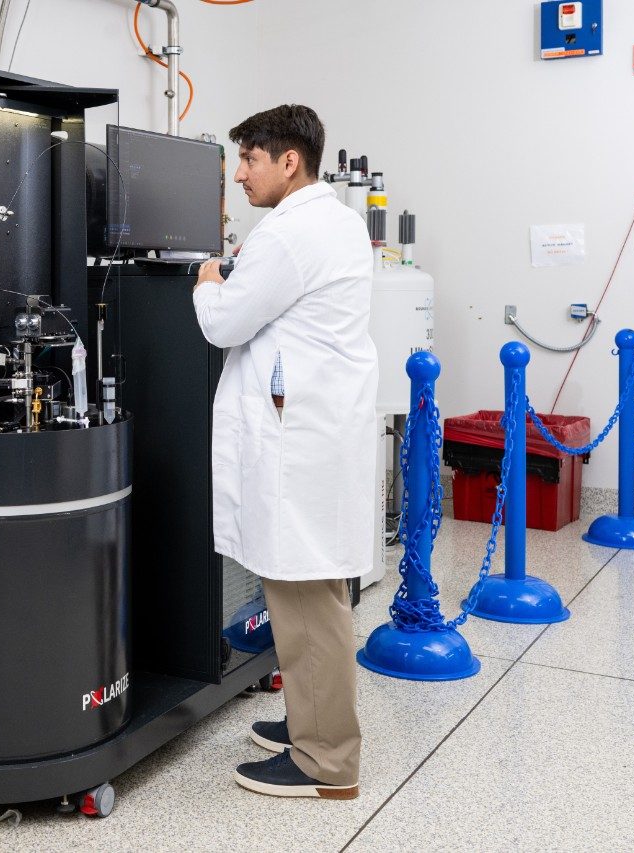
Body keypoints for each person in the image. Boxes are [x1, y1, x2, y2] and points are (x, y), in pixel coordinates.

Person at [192, 104, 378, 799]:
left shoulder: (288, 234)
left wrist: (209, 280)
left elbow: (225, 324)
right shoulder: (334, 221)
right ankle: (311, 720)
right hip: (317, 431)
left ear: (288, 161)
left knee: (305, 596)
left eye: (249, 159)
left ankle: (325, 760)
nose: (239, 173)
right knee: (314, 589)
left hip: (300, 439)